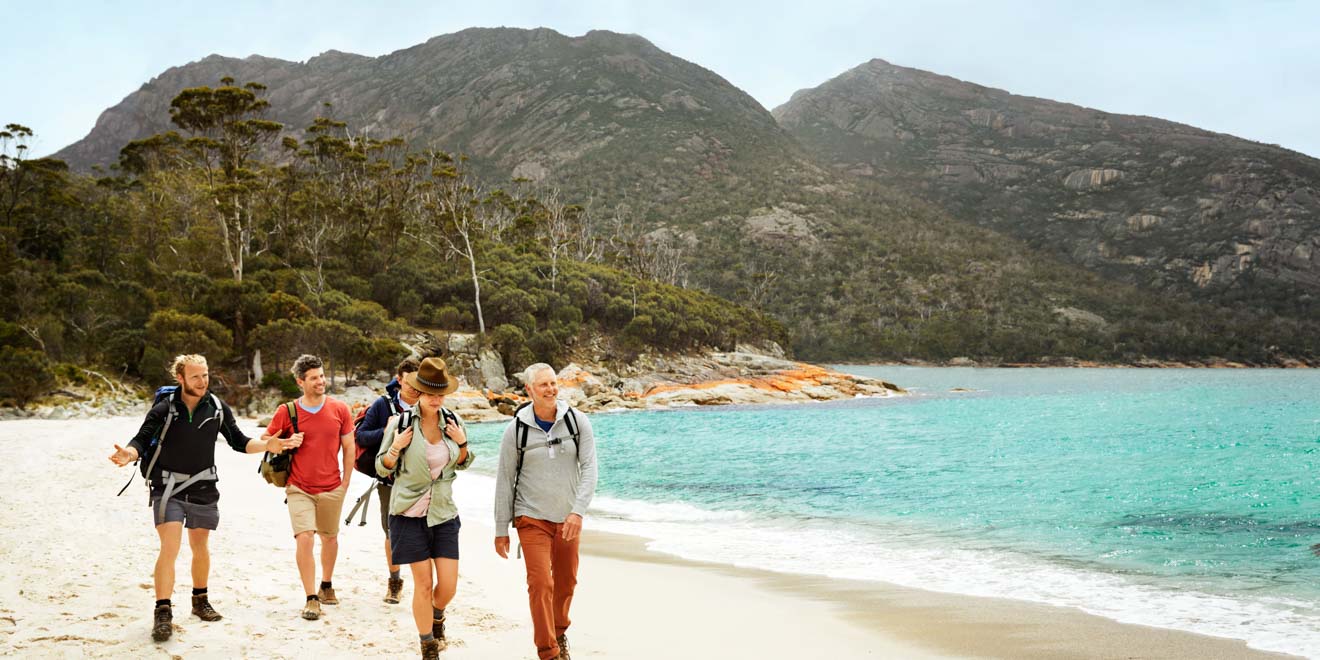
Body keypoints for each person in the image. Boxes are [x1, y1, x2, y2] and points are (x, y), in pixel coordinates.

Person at [109, 354, 286, 642]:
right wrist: (128, 454)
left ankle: (200, 600)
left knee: (200, 545)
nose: (202, 382)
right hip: (167, 487)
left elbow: (239, 442)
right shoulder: (165, 408)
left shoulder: (216, 407)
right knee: (170, 546)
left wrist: (269, 445)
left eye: (205, 375)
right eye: (195, 377)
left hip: (203, 484)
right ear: (180, 378)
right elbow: (141, 439)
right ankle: (163, 611)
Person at [494, 363, 598, 660]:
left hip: (568, 518)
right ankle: (548, 651)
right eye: (544, 385)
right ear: (529, 390)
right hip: (531, 517)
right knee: (541, 583)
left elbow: (590, 469)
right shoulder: (515, 431)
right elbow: (505, 479)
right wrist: (502, 528)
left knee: (566, 583)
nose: (551, 389)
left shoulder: (578, 422)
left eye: (553, 383)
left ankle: (559, 631)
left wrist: (578, 512)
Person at [376, 357, 474, 659]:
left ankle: (437, 614)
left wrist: (464, 443)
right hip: (408, 514)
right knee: (423, 583)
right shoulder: (400, 423)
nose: (436, 399)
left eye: (440, 393)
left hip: (443, 513)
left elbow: (464, 461)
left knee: (448, 587)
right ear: (419, 392)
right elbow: (382, 468)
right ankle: (427, 643)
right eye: (431, 393)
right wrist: (395, 448)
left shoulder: (453, 422)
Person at [260, 354, 355, 621]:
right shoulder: (287, 411)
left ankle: (326, 584)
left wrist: (346, 482)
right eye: (314, 378)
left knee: (330, 538)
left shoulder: (340, 409)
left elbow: (349, 447)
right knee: (305, 537)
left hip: (332, 486)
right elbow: (266, 439)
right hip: (298, 486)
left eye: (322, 376)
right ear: (300, 381)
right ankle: (311, 597)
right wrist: (288, 441)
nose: (321, 382)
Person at [356, 356, 422, 604]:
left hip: (422, 481)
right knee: (393, 533)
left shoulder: (429, 405)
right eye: (409, 383)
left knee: (424, 532)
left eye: (419, 383)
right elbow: (361, 436)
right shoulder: (383, 405)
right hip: (389, 478)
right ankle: (395, 582)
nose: (415, 389)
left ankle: (424, 584)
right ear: (399, 380)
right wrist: (386, 433)